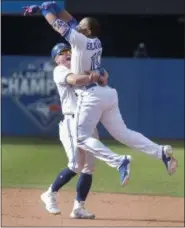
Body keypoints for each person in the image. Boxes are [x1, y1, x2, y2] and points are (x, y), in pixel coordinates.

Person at [41, 43, 109, 219]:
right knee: (75, 165)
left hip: (89, 123)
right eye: (62, 53)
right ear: (56, 59)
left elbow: (104, 77)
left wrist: (99, 74)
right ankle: (50, 193)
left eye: (68, 51)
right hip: (72, 122)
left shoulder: (82, 70)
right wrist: (92, 76)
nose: (66, 54)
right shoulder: (60, 71)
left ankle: (78, 207)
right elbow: (75, 80)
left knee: (89, 167)